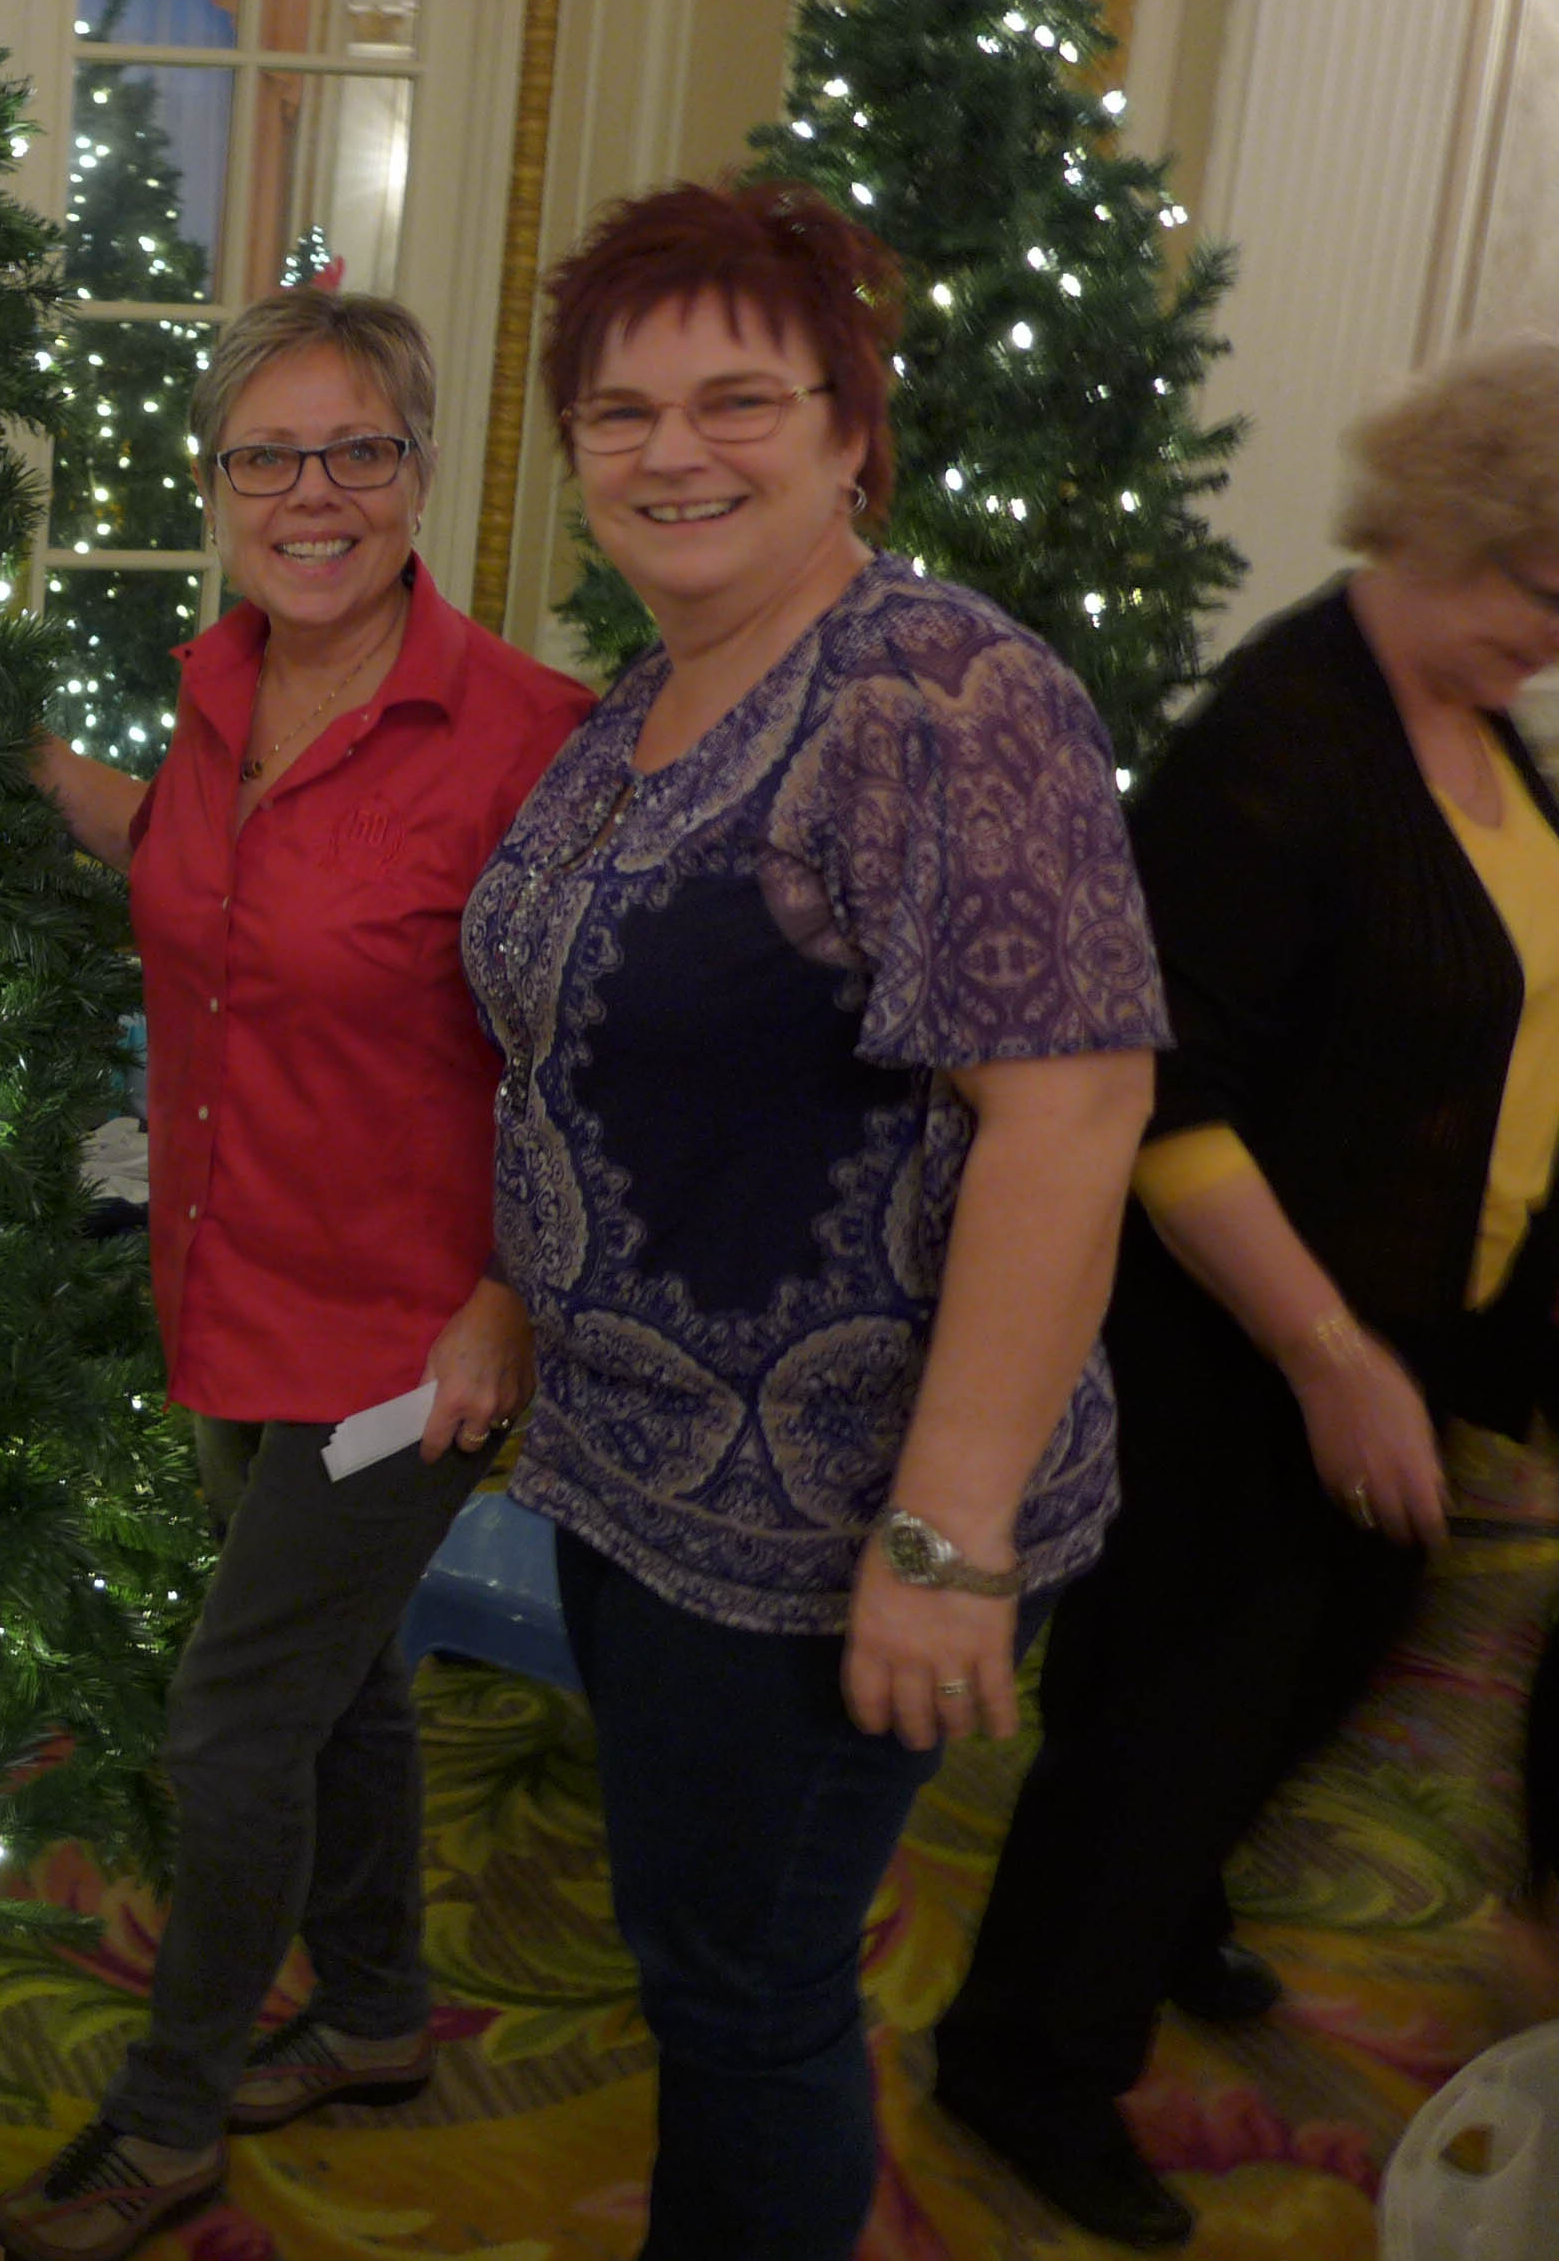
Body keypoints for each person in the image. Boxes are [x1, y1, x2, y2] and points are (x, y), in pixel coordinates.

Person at [456, 179, 1164, 2261]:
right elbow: (580, 1046)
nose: (674, 450)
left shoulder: (941, 693)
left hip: (834, 1520)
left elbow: (1074, 1110)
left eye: (739, 399)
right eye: (620, 412)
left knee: (752, 1987)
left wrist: (947, 1537)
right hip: (644, 1480)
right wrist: (515, 1285)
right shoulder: (646, 700)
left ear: (854, 428)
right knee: (703, 1951)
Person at [0, 290, 592, 2261]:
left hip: (411, 1341)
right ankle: (383, 2013)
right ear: (215, 483)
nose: (311, 493)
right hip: (226, 1277)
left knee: (237, 1716)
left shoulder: (524, 739)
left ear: (422, 476)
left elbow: (584, 1070)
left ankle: (166, 2126)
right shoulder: (217, 693)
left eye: (356, 453)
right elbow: (199, 873)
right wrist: (12, 760)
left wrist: (507, 1296)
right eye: (270, 456)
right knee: (341, 1692)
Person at [935, 340, 1559, 2248]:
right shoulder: (1280, 745)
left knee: (1339, 1665)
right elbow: (1160, 1099)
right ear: (1453, 532)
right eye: (1544, 587)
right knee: (1168, 1719)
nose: (1558, 634)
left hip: (1419, 1324)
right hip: (1243, 1351)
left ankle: (1178, 1902)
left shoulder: (1481, 725)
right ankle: (1024, 2063)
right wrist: (1328, 1357)